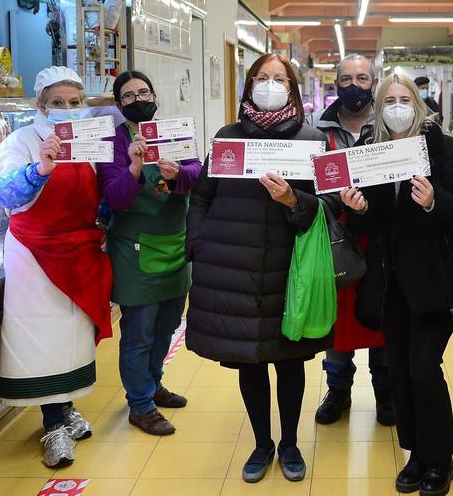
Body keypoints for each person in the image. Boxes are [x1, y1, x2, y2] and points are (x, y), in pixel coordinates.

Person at [185, 53, 336, 483]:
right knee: (249, 362)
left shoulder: (310, 140)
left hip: (290, 272)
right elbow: (202, 196)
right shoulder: (227, 137)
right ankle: (261, 444)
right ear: (249, 85)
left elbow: (329, 205)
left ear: (292, 88)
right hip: (234, 270)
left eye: (279, 79)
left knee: (290, 362)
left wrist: (293, 201)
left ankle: (289, 443)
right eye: (262, 78)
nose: (270, 85)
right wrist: (199, 242)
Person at [344, 74, 453, 496]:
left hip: (435, 281)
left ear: (418, 104)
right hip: (391, 284)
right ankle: (416, 454)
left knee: (424, 370)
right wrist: (358, 208)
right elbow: (372, 222)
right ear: (379, 106)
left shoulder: (441, 147)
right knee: (399, 371)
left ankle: (441, 458)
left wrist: (435, 201)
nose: (398, 106)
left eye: (405, 99)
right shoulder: (372, 151)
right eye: (390, 100)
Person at [0, 66, 113, 468]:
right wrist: (40, 169)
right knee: (41, 343)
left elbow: (101, 195)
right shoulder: (21, 140)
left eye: (74, 103)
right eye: (57, 103)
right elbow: (3, 192)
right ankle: (52, 426)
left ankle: (66, 407)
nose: (67, 109)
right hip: (34, 255)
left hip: (80, 252)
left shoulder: (91, 142)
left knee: (72, 339)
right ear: (40, 106)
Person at [98, 70, 202, 436]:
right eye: (128, 96)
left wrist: (178, 176)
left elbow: (197, 171)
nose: (138, 99)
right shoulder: (112, 142)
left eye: (144, 91)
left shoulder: (173, 132)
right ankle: (140, 405)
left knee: (168, 326)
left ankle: (153, 383)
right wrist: (135, 166)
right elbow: (115, 196)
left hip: (174, 244)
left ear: (155, 95)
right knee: (139, 331)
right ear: (118, 104)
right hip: (134, 251)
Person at [310, 53, 394, 427]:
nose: (354, 86)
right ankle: (338, 391)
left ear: (373, 84)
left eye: (362, 78)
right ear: (336, 83)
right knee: (337, 323)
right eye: (346, 79)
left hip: (383, 239)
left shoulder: (391, 124)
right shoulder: (315, 129)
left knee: (383, 317)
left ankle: (387, 393)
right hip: (334, 240)